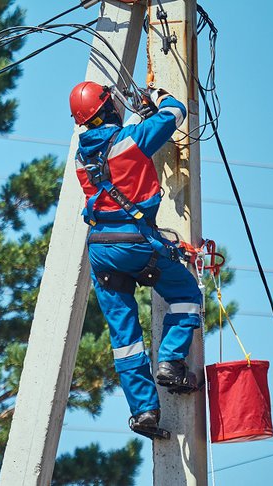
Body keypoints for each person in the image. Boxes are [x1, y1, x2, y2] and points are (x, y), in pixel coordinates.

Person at [69, 81, 203, 440]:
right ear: (107, 108)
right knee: (187, 294)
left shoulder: (82, 156)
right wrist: (156, 97)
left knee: (124, 337)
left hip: (99, 248)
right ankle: (171, 362)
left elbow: (117, 146)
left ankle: (143, 410)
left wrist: (141, 117)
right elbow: (175, 112)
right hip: (134, 242)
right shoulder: (131, 140)